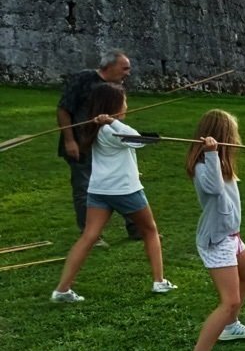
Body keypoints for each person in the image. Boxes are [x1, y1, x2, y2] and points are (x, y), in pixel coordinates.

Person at [51, 83, 177, 303]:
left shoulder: (94, 128)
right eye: (124, 101)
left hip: (99, 190)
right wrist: (113, 121)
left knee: (89, 236)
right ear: (114, 105)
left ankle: (62, 289)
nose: (127, 105)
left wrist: (109, 121)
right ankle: (159, 281)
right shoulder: (111, 129)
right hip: (124, 190)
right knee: (150, 230)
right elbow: (138, 140)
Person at [183, 110, 245, 351]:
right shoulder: (204, 166)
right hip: (216, 240)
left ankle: (229, 326)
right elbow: (215, 189)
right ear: (221, 137)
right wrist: (212, 154)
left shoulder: (221, 164)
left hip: (231, 235)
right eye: (233, 135)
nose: (237, 141)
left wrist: (217, 156)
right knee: (229, 301)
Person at [57, 50, 140, 244]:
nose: (128, 73)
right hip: (81, 145)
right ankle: (91, 236)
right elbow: (63, 109)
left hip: (108, 143)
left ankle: (138, 229)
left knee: (123, 181)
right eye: (125, 68)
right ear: (109, 66)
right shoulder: (83, 79)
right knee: (84, 188)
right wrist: (70, 140)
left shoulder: (117, 85)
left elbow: (119, 117)